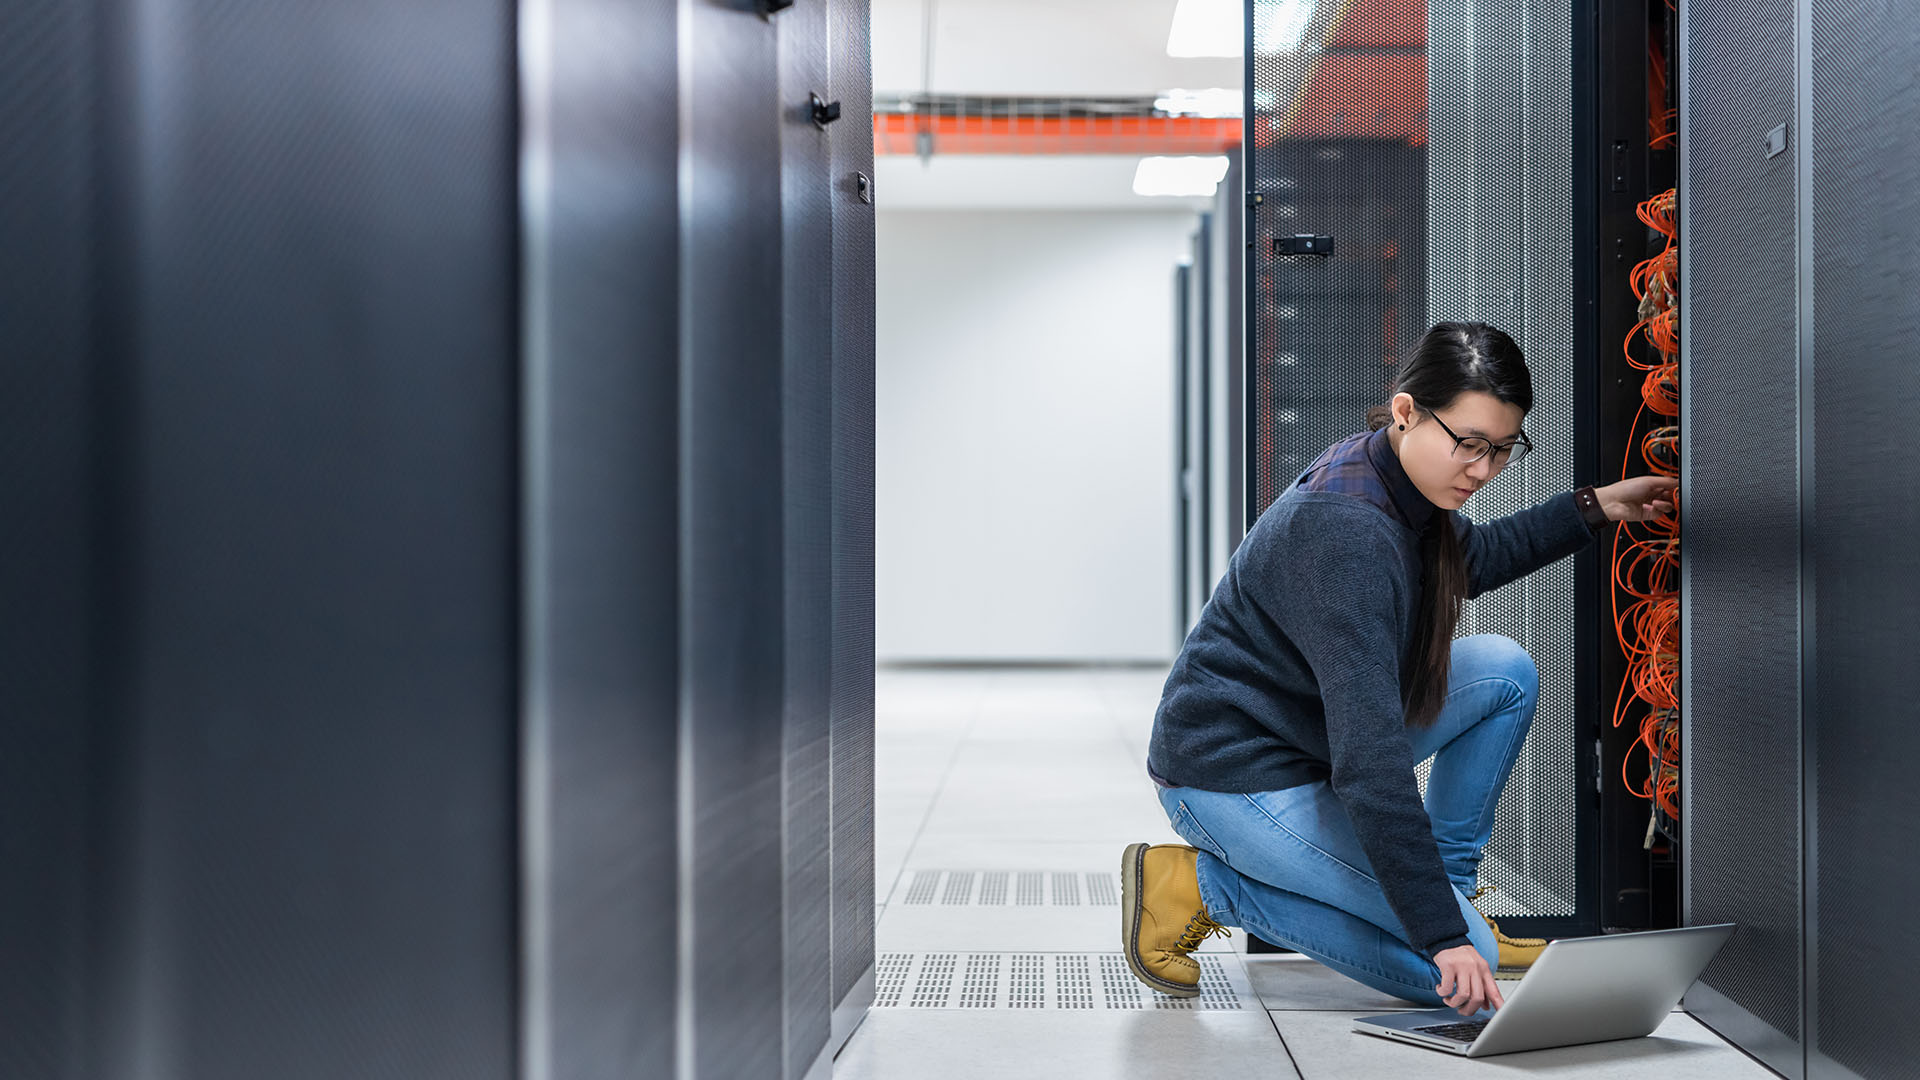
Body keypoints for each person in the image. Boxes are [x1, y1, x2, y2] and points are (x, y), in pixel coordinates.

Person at [1120, 322, 1677, 1017]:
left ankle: (1447, 886)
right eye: (1469, 444)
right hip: (1233, 776)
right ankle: (1204, 886)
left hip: (1307, 738)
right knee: (1460, 982)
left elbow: (1469, 562)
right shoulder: (1346, 533)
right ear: (1407, 410)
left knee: (1504, 669)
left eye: (1503, 450)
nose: (1482, 469)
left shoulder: (1393, 475)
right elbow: (1371, 762)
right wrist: (1442, 934)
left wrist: (1598, 507)